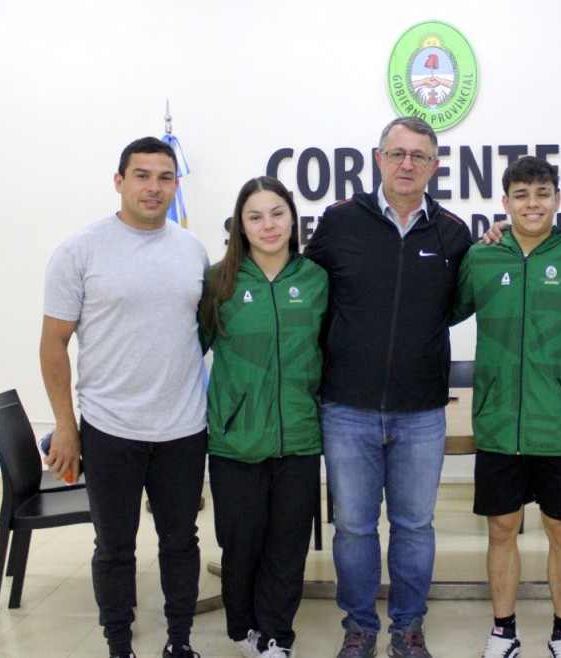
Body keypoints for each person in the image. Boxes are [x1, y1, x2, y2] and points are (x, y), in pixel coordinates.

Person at [304, 116, 473, 658]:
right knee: (353, 527)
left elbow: (458, 305)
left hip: (420, 410)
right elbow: (307, 296)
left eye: (418, 156)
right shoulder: (338, 223)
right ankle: (359, 626)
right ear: (377, 159)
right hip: (346, 407)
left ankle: (407, 627)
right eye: (397, 154)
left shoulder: (452, 232)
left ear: (434, 166)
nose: (407, 165)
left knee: (414, 526)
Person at [40, 137, 209, 658]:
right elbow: (53, 343)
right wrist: (66, 426)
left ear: (176, 185)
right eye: (142, 175)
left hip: (183, 428)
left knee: (181, 544)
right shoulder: (80, 251)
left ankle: (179, 642)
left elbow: (199, 333)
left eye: (164, 177)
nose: (153, 187)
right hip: (110, 429)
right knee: (114, 549)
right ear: (119, 182)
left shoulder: (193, 249)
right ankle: (119, 645)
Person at [452, 156, 561, 658]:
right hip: (500, 425)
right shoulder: (481, 259)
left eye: (542, 193)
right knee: (501, 530)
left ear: (557, 201)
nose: (532, 203)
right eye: (521, 194)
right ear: (504, 202)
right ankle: (503, 630)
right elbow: (439, 310)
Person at [201, 177, 328, 658]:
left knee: (287, 543)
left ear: (293, 217)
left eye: (277, 213)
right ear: (239, 225)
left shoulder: (315, 279)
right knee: (241, 540)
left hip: (298, 435)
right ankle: (243, 627)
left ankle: (276, 634)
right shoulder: (220, 281)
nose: (268, 225)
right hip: (236, 439)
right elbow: (189, 351)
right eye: (255, 216)